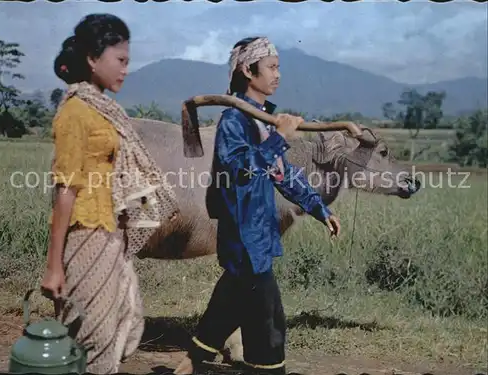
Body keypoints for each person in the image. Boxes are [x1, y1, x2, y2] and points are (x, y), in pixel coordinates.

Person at [174, 36, 341, 375]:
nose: (278, 75)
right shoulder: (234, 121)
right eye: (272, 68)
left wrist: (319, 208)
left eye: (279, 68)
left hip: (259, 231)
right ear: (249, 71)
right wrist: (280, 138)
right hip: (242, 231)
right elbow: (240, 172)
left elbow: (282, 174)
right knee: (267, 314)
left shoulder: (264, 119)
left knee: (235, 300)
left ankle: (193, 359)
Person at [40, 13, 179, 374]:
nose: (125, 70)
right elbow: (65, 189)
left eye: (128, 62)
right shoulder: (75, 112)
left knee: (125, 325)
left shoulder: (105, 112)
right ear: (92, 59)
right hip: (85, 234)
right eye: (120, 60)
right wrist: (54, 266)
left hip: (110, 233)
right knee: (93, 338)